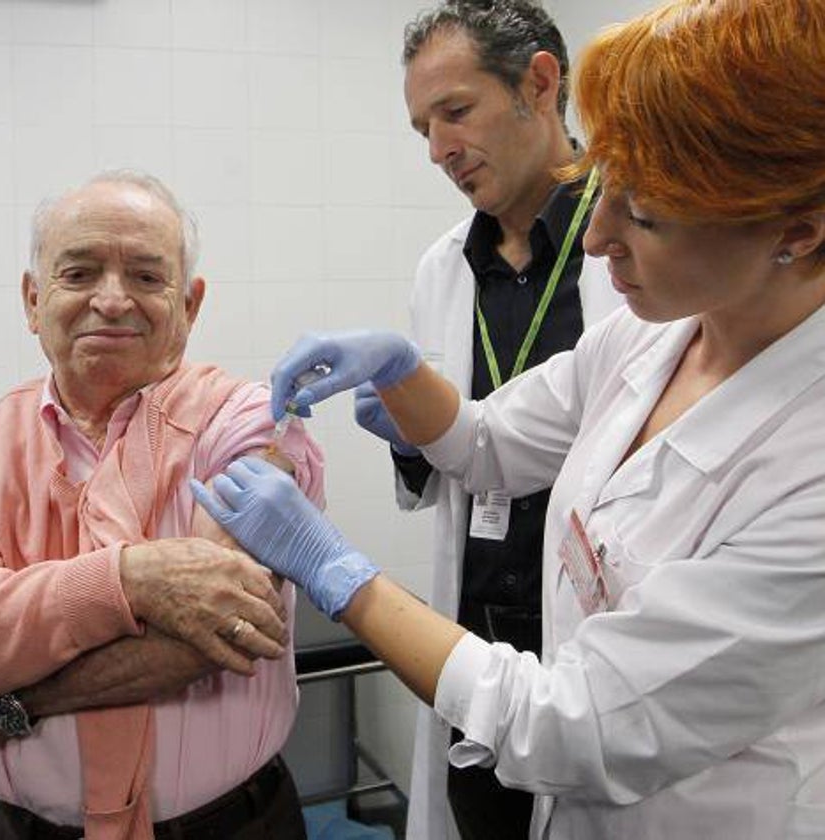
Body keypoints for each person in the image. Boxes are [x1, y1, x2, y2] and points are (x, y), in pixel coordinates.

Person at [193, 0, 825, 836]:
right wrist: (400, 367)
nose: (597, 236)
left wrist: (339, 575)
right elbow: (488, 444)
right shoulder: (655, 337)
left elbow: (572, 722)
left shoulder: (805, 467)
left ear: (799, 231)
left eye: (641, 213)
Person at [0, 170, 324, 840]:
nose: (113, 301)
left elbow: (226, 627)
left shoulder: (250, 423)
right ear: (34, 300)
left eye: (148, 278)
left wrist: (17, 700)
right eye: (80, 273)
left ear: (190, 303)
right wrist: (129, 580)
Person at [357, 3, 618, 836]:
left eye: (455, 111)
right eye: (422, 128)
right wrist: (410, 443)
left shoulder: (633, 247)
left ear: (539, 85)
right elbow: (455, 459)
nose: (438, 150)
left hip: (592, 635)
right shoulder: (444, 267)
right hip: (477, 639)